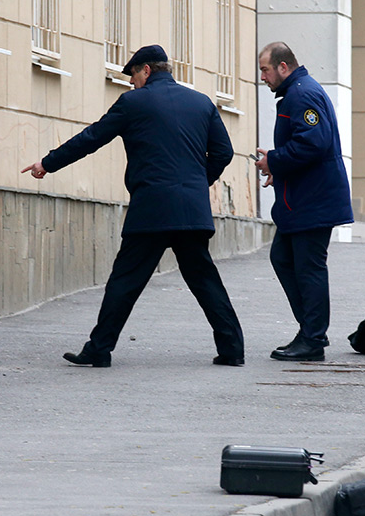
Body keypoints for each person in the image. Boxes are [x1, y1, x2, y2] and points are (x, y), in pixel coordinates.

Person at [21, 44, 244, 368]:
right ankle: (232, 349)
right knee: (204, 279)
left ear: (146, 71)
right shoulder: (202, 103)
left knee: (125, 280)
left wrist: (48, 163)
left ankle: (99, 349)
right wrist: (196, 184)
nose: (131, 84)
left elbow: (92, 138)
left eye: (133, 77)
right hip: (192, 210)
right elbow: (223, 153)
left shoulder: (134, 103)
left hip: (152, 209)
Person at [254, 42, 353, 362]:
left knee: (307, 267)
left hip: (313, 200)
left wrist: (275, 161)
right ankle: (310, 331)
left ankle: (312, 338)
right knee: (283, 258)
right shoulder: (297, 91)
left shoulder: (301, 94)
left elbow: (313, 143)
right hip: (303, 197)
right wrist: (279, 169)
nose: (263, 78)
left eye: (265, 70)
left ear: (283, 67)